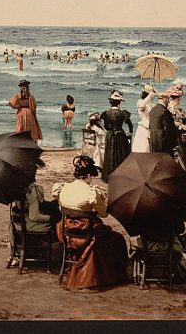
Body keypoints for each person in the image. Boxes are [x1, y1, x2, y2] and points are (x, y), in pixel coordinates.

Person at [52, 156, 128, 290]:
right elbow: (104, 213)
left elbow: (60, 207)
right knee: (117, 239)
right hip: (85, 234)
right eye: (91, 177)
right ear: (87, 175)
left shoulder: (64, 189)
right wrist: (101, 198)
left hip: (67, 233)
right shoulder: (90, 192)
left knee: (102, 235)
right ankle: (107, 276)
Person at [8, 160, 61, 267]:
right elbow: (34, 216)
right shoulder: (32, 190)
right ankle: (48, 258)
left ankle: (17, 254)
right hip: (28, 225)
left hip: (16, 225)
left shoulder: (15, 187)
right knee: (55, 223)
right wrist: (51, 218)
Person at [100, 90, 133, 183]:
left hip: (110, 135)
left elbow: (106, 126)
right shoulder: (123, 113)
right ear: (119, 103)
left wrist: (110, 131)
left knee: (110, 154)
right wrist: (130, 133)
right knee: (121, 154)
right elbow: (130, 126)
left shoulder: (106, 113)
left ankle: (109, 175)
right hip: (120, 135)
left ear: (111, 103)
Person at [148, 91, 177, 155]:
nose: (168, 101)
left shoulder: (153, 110)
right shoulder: (164, 111)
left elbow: (150, 125)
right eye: (168, 99)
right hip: (162, 140)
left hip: (153, 138)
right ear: (165, 99)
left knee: (155, 158)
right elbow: (168, 128)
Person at [131, 85, 156, 153]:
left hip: (151, 126)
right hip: (144, 126)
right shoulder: (140, 102)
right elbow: (141, 106)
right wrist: (149, 96)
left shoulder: (152, 104)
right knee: (143, 147)